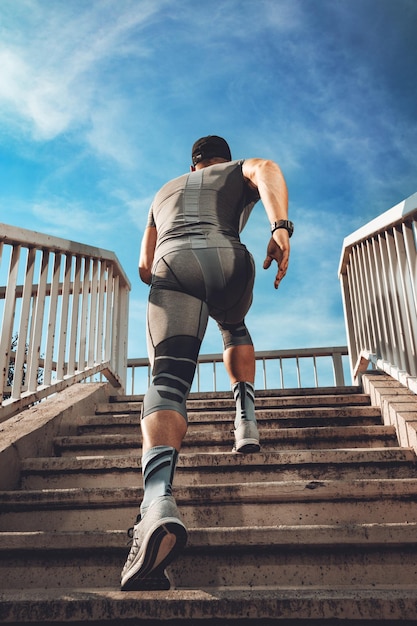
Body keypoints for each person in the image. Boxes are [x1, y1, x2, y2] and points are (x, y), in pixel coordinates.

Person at [121, 135, 292, 591]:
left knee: (169, 380)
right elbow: (268, 168)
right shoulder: (238, 169)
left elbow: (142, 264)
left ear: (192, 164)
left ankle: (157, 502)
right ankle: (245, 418)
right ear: (221, 159)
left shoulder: (163, 192)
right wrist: (280, 226)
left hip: (175, 262)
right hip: (232, 260)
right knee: (233, 325)